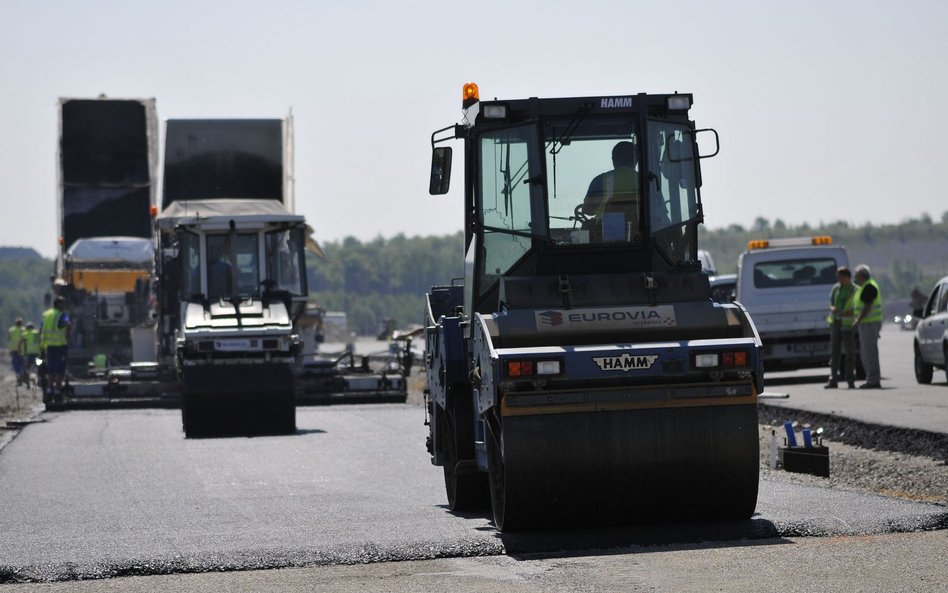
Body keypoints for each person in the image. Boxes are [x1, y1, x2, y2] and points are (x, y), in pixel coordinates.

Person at [582, 141, 641, 242]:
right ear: (636, 160)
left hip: (604, 241)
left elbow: (588, 211)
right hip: (639, 237)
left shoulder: (600, 180)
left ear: (614, 160)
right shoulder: (645, 179)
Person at [825, 267, 856, 389]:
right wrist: (832, 308)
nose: (838, 279)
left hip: (848, 324)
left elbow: (857, 306)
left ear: (846, 277)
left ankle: (850, 380)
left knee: (850, 353)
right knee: (834, 353)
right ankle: (833, 379)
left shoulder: (854, 290)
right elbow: (831, 302)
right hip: (836, 322)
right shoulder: (836, 288)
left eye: (840, 276)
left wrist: (849, 313)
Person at [852, 264, 882, 389]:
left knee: (869, 353)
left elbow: (867, 306)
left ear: (861, 276)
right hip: (867, 324)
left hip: (869, 324)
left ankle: (873, 380)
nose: (855, 278)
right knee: (866, 353)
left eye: (856, 275)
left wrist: (858, 320)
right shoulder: (865, 286)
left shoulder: (869, 286)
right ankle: (871, 379)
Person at [40, 296, 72, 401]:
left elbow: (42, 329)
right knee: (59, 370)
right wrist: (67, 337)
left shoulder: (46, 314)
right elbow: (68, 324)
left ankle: (49, 391)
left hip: (49, 346)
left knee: (51, 370)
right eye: (63, 304)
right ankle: (57, 392)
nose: (64, 306)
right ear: (58, 304)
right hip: (60, 346)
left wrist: (42, 345)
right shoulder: (62, 315)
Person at [18, 321, 41, 386]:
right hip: (37, 354)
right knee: (38, 367)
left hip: (28, 355)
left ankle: (27, 381)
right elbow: (40, 342)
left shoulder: (24, 334)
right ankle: (39, 380)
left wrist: (19, 351)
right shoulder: (37, 333)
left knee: (27, 368)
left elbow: (20, 343)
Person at [8, 317, 25, 385]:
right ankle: (22, 375)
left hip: (14, 349)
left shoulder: (11, 330)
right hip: (22, 350)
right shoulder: (24, 330)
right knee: (22, 364)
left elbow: (9, 338)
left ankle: (18, 376)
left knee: (16, 364)